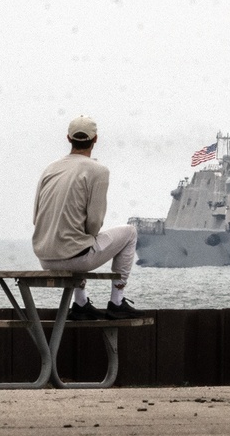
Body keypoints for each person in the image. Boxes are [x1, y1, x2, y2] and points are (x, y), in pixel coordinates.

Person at [32, 115, 145, 320]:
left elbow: (36, 217)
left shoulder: (49, 169)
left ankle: (81, 303)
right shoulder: (98, 170)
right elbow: (94, 222)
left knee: (77, 237)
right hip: (75, 259)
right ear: (95, 139)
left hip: (45, 259)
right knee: (130, 232)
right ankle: (117, 301)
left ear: (68, 138)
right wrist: (87, 234)